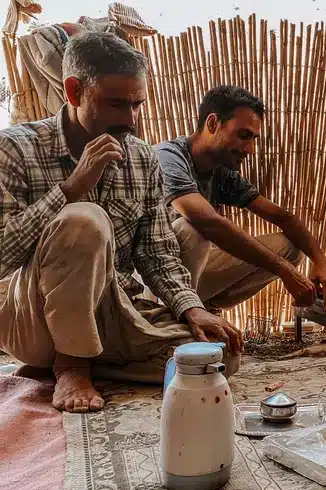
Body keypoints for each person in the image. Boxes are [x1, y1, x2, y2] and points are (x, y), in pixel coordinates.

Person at [0, 31, 242, 413]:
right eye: (116, 105)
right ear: (74, 91)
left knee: (215, 360)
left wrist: (190, 307)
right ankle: (71, 365)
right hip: (33, 320)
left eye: (136, 105)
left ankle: (90, 359)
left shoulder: (142, 158)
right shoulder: (14, 148)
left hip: (113, 313)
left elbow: (158, 252)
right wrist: (70, 189)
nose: (130, 120)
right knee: (84, 218)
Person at [155, 85, 326, 313]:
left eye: (253, 139)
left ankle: (207, 309)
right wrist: (283, 270)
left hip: (189, 273)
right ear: (212, 124)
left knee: (290, 247)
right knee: (193, 229)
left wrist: (322, 263)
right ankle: (173, 314)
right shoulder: (168, 158)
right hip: (154, 276)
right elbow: (206, 221)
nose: (250, 149)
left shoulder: (220, 172)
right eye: (243, 136)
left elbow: (284, 218)